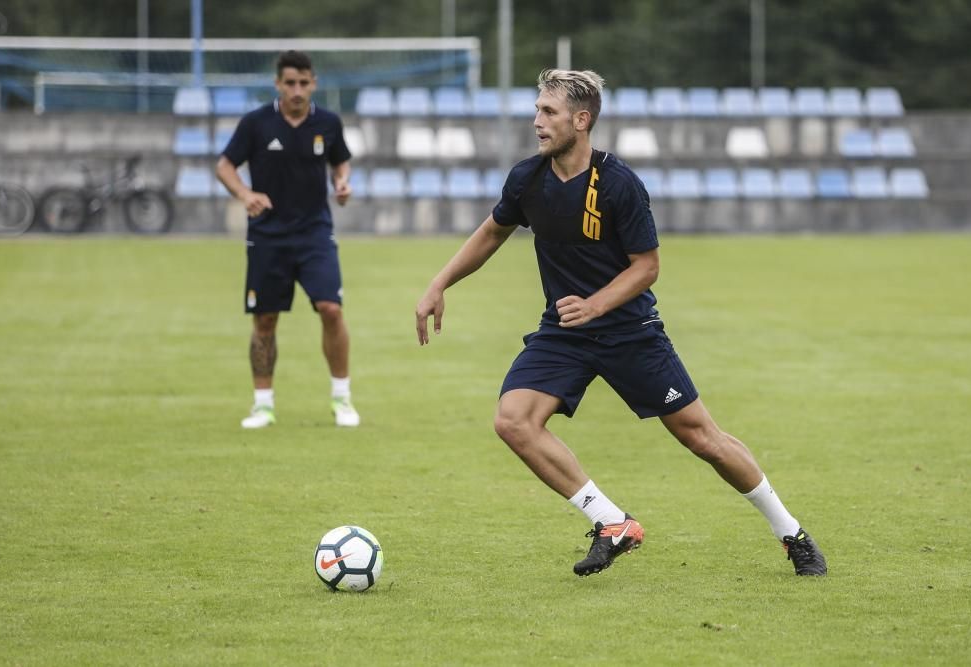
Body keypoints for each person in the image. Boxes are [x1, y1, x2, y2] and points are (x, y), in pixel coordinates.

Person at [414, 69, 826, 577]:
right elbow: (491, 233)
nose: (536, 121)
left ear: (581, 120)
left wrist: (595, 305)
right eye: (537, 110)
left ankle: (792, 533)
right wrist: (439, 284)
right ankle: (612, 523)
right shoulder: (527, 178)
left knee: (702, 438)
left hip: (630, 331)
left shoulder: (618, 184)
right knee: (513, 421)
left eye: (548, 112)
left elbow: (647, 266)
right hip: (564, 330)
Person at [217, 50, 360, 429]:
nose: (297, 90)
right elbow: (224, 165)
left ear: (313, 83)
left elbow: (339, 161)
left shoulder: (328, 123)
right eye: (290, 83)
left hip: (315, 234)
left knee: (331, 309)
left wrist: (341, 182)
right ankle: (262, 404)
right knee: (265, 319)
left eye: (304, 83)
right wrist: (246, 195)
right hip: (267, 235)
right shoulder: (256, 123)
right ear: (278, 84)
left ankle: (342, 398)